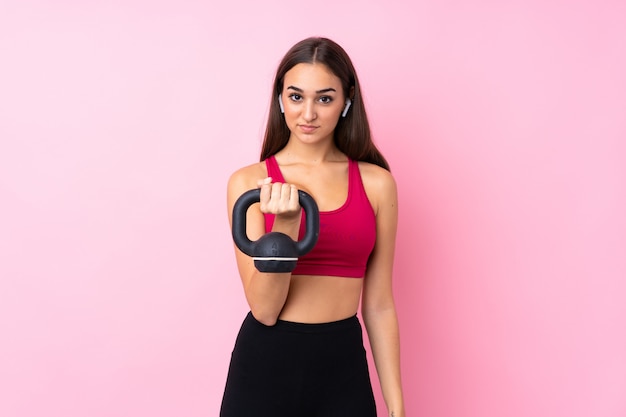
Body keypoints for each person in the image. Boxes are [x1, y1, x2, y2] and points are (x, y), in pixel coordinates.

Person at [220, 37, 405, 417]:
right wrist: (286, 228)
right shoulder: (250, 184)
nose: (308, 114)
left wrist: (397, 407)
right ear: (280, 100)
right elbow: (265, 310)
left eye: (324, 98)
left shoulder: (376, 184)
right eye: (296, 96)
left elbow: (380, 305)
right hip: (265, 365)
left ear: (346, 101)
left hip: (342, 365)